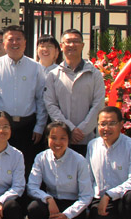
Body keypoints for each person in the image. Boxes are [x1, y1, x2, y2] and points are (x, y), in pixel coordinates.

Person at [0, 24, 46, 172]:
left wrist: (39, 126)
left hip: (27, 126)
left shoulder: (35, 67)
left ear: (25, 42)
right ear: (4, 43)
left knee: (26, 166)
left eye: (18, 39)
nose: (14, 43)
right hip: (2, 126)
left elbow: (41, 99)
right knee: (1, 166)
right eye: (10, 39)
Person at [27, 121, 93, 219]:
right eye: (53, 137)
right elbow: (32, 186)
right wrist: (48, 199)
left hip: (73, 205)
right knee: (34, 208)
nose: (58, 142)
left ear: (69, 139)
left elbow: (86, 196)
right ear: (47, 138)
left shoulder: (79, 161)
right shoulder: (41, 158)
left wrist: (67, 215)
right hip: (53, 202)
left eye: (63, 138)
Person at [44, 28, 105, 157]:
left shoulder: (94, 74)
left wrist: (82, 130)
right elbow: (51, 105)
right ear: (61, 46)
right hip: (61, 139)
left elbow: (98, 105)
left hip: (88, 138)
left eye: (76, 41)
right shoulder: (53, 75)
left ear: (82, 45)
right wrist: (69, 129)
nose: (72, 45)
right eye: (68, 42)